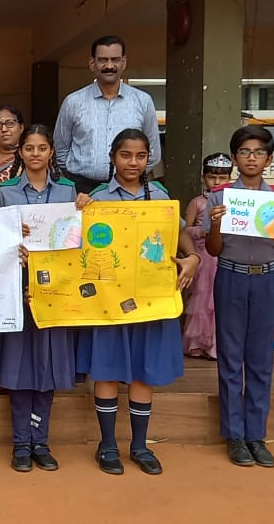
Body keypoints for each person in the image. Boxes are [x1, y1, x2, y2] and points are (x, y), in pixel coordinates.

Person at [78, 129, 201, 476]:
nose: (133, 162)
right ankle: (107, 445)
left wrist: (193, 258)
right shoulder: (96, 199)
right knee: (107, 369)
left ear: (149, 159)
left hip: (151, 300)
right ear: (112, 158)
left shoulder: (160, 196)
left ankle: (140, 446)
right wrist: (78, 211)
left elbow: (180, 234)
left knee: (143, 372)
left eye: (141, 156)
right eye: (125, 155)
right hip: (109, 301)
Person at [206, 125, 274, 468]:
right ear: (235, 158)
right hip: (231, 275)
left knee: (261, 359)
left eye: (259, 152)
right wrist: (215, 224)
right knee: (231, 357)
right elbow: (213, 250)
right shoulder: (220, 197)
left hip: (267, 279)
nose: (252, 158)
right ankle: (235, 435)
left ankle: (256, 435)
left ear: (269, 159)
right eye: (245, 152)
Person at [0, 125, 80, 472]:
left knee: (47, 367)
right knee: (18, 367)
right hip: (18, 287)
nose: (36, 154)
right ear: (21, 152)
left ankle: (41, 442)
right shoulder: (6, 192)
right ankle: (20, 444)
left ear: (51, 152)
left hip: (55, 289)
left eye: (42, 148)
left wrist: (85, 207)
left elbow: (77, 239)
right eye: (29, 148)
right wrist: (14, 243)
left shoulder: (68, 191)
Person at [53, 35, 161, 194]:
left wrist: (130, 176)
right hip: (81, 190)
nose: (109, 66)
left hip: (127, 189)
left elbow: (153, 152)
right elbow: (60, 150)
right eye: (103, 60)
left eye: (115, 60)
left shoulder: (143, 101)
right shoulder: (73, 102)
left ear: (123, 62)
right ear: (92, 63)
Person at [182, 153, 232, 360]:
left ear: (230, 178)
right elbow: (185, 229)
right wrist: (201, 232)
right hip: (204, 256)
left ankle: (217, 347)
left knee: (222, 301)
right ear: (203, 177)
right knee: (203, 300)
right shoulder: (198, 202)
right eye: (212, 177)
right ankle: (197, 344)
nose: (217, 182)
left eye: (222, 178)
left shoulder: (233, 202)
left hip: (225, 255)